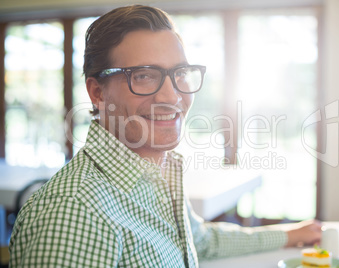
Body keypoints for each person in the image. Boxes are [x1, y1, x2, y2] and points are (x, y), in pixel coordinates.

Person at [9, 5, 321, 267]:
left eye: (180, 74)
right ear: (97, 92)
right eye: (144, 76)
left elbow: (199, 240)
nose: (172, 96)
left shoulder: (157, 170)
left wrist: (289, 234)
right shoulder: (74, 213)